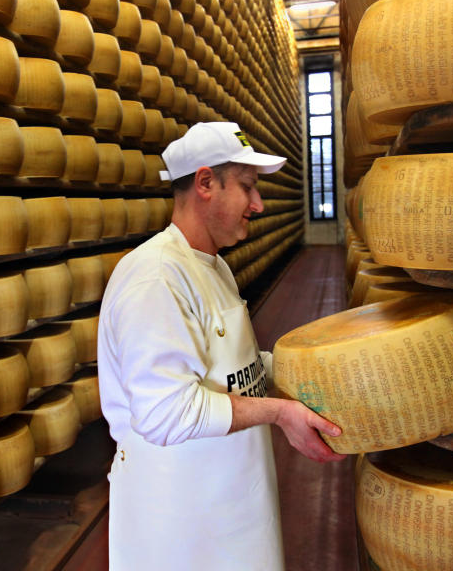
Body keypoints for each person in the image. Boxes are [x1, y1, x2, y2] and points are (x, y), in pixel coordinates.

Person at [97, 122, 346, 571]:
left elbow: (236, 369)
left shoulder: (214, 267)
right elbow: (164, 413)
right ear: (206, 182)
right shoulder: (155, 278)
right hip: (179, 525)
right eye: (248, 187)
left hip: (234, 500)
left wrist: (317, 369)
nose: (259, 204)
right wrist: (279, 412)